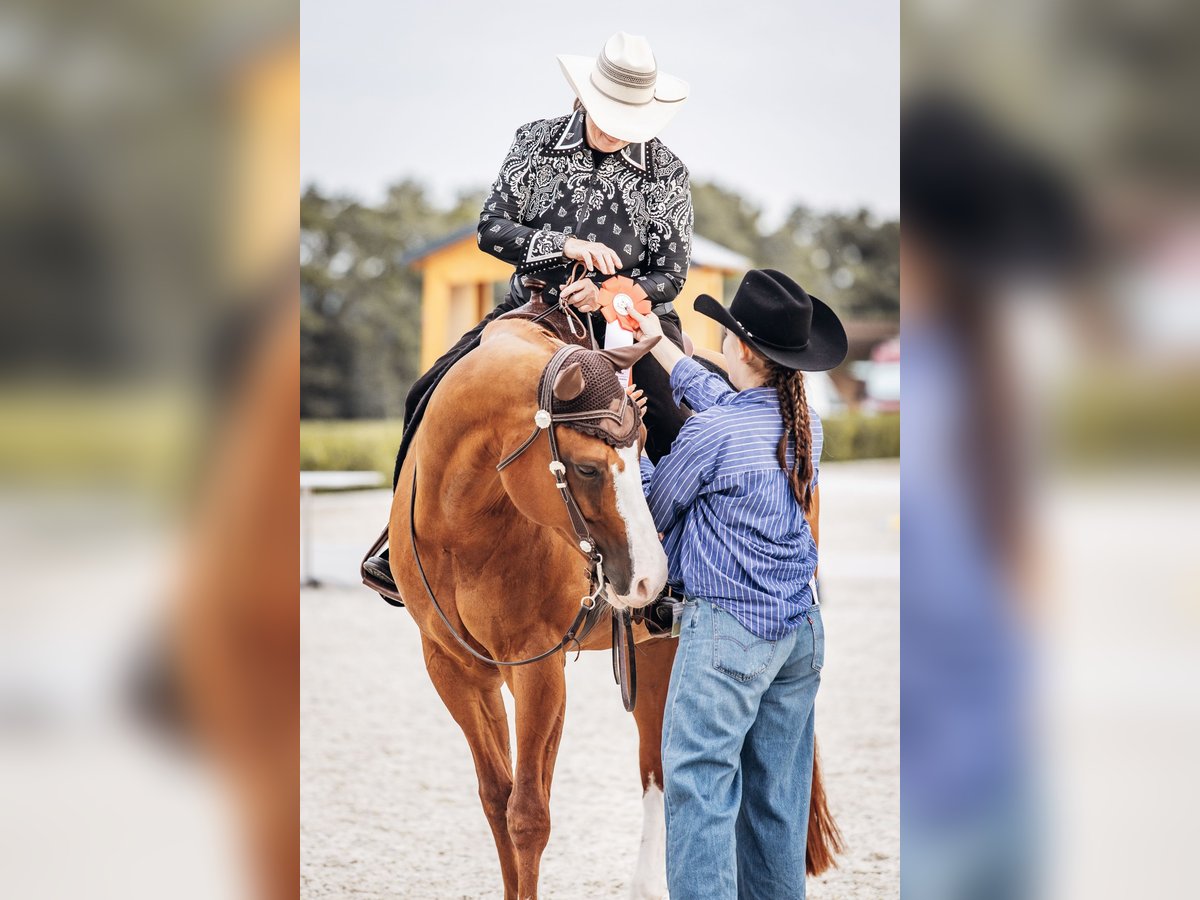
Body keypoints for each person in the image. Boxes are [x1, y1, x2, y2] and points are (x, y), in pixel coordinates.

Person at [364, 31, 693, 598]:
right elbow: (492, 229)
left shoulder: (667, 170)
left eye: (630, 119)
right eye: (611, 113)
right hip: (532, 308)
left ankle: (681, 571)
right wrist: (564, 247)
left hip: (630, 322)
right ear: (587, 97)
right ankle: (399, 546)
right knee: (425, 392)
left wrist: (610, 290)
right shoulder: (536, 142)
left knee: (676, 422)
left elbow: (672, 272)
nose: (618, 128)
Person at [628, 270, 848, 899]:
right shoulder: (803, 423)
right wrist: (657, 345)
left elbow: (653, 508)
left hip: (728, 634)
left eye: (724, 333)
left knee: (699, 788)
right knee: (776, 799)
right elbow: (722, 401)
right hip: (799, 633)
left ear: (742, 351)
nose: (717, 342)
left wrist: (633, 443)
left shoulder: (713, 434)